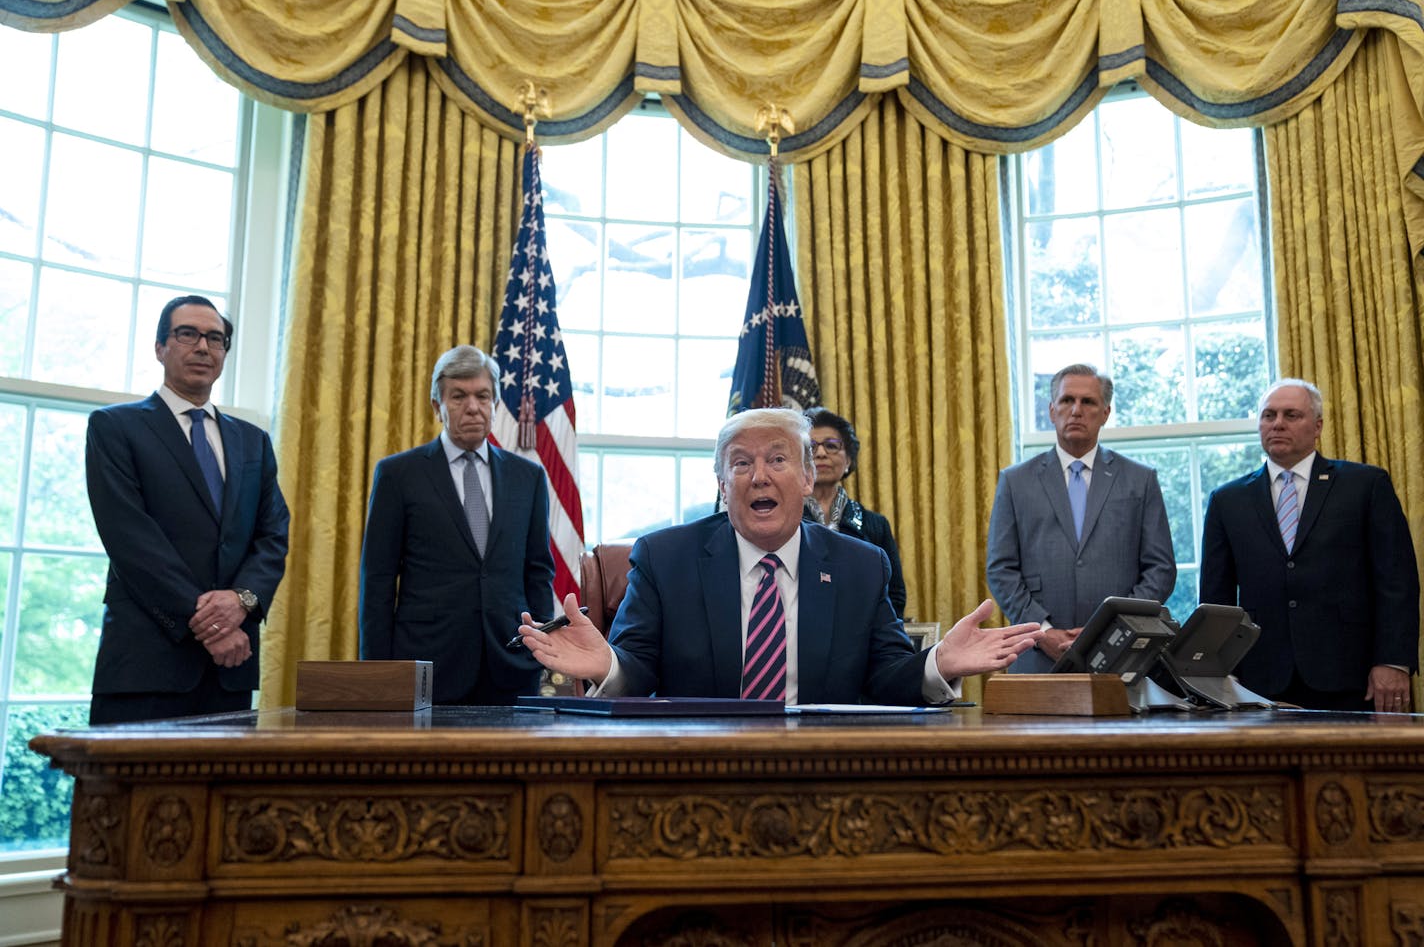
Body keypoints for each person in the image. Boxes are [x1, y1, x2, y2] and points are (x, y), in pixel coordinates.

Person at [517, 408, 1042, 705]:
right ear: (722, 484)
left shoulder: (861, 565)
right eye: (741, 463)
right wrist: (606, 664)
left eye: (777, 460)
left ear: (809, 478)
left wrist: (937, 665)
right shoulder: (665, 557)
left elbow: (884, 680)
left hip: (823, 774)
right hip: (699, 773)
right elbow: (639, 670)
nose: (759, 476)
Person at [84, 295, 289, 724]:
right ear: (160, 348)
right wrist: (211, 625)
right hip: (146, 663)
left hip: (231, 667)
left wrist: (242, 600)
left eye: (216, 338)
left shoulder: (253, 441)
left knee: (226, 793)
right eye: (187, 334)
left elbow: (273, 535)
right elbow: (130, 538)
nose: (203, 347)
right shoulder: (114, 427)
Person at [1200, 378, 1419, 712]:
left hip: (1352, 675)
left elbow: (1396, 581)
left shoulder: (1365, 485)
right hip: (1260, 678)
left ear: (1317, 426)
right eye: (1268, 415)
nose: (1277, 424)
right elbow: (1217, 598)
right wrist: (1219, 671)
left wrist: (1393, 661)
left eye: (1291, 415)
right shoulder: (1227, 500)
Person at [359, 345, 555, 704]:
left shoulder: (528, 477)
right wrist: (377, 672)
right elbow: (378, 580)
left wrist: (541, 652)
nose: (472, 407)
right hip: (428, 666)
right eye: (458, 396)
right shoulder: (398, 474)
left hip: (511, 663)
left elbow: (538, 571)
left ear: (495, 404)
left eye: (483, 396)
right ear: (438, 406)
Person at [986, 363, 1176, 674]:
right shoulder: (1015, 481)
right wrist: (1043, 631)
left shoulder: (1140, 480)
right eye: (1066, 400)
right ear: (1051, 410)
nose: (1076, 410)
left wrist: (1113, 630)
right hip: (1038, 656)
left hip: (1121, 657)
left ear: (1105, 413)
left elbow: (1161, 569)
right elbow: (1001, 568)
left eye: (1088, 402)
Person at [801, 406, 908, 617]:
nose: (821, 453)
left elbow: (895, 596)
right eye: (811, 447)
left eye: (832, 446)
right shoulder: (784, 522)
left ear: (848, 459)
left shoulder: (875, 524)